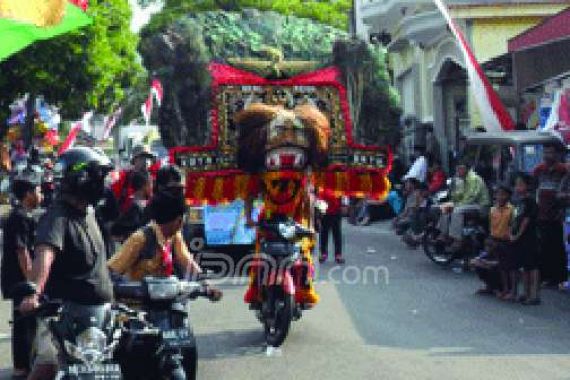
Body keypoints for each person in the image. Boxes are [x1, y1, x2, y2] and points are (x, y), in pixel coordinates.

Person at [19, 147, 114, 380]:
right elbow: (45, 254)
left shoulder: (90, 212)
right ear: (80, 179)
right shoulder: (56, 218)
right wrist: (33, 292)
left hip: (100, 318)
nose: (103, 183)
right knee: (48, 364)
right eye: (98, 176)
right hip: (65, 320)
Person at [0, 172, 43, 379]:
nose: (41, 194)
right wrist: (31, 283)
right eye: (38, 191)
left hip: (22, 278)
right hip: (19, 280)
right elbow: (21, 251)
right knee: (23, 323)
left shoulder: (26, 215)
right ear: (28, 194)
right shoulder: (18, 217)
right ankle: (21, 367)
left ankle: (28, 363)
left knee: (29, 322)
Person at [108, 191, 202, 280]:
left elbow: (186, 260)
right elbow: (112, 269)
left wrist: (203, 281)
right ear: (179, 220)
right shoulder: (140, 238)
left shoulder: (175, 236)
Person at [533, 143, 567, 288]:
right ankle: (544, 276)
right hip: (541, 213)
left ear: (557, 155)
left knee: (557, 247)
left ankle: (558, 277)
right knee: (543, 246)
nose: (548, 156)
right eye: (546, 153)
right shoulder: (539, 170)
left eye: (551, 153)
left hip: (558, 214)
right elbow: (534, 188)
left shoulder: (563, 170)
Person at [438, 161, 490, 251]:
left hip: (481, 206)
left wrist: (457, 205)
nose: (458, 171)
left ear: (466, 169)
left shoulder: (473, 179)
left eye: (460, 169)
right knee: (445, 207)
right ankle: (443, 234)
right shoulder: (463, 180)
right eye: (457, 169)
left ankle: (458, 240)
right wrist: (453, 189)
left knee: (456, 211)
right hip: (469, 205)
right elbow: (459, 196)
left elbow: (472, 197)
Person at [511, 173, 540, 305]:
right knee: (524, 266)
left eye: (520, 184)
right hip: (520, 238)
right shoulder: (519, 201)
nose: (517, 187)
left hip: (529, 237)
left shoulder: (530, 201)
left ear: (528, 186)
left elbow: (526, 221)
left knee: (532, 266)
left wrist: (517, 235)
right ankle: (525, 292)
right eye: (516, 184)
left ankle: (533, 295)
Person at [488, 185, 515, 301]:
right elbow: (491, 226)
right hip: (495, 239)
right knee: (501, 267)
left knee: (509, 267)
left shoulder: (512, 210)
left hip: (507, 241)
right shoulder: (492, 210)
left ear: (508, 196)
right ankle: (503, 288)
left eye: (503, 194)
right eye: (498, 194)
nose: (500, 197)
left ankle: (512, 290)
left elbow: (513, 225)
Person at [112, 145, 156, 213]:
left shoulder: (153, 179)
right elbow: (113, 196)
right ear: (134, 160)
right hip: (127, 217)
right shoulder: (125, 177)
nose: (146, 161)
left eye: (148, 158)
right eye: (142, 158)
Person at [111, 170, 152, 241]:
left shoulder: (138, 204)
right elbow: (116, 232)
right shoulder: (135, 207)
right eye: (150, 184)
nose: (152, 187)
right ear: (144, 186)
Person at [318, 190, 345, 264]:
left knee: (337, 233)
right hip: (325, 212)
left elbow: (343, 193)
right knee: (324, 233)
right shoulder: (322, 184)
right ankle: (323, 254)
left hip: (336, 211)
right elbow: (319, 197)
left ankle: (338, 255)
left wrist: (343, 205)